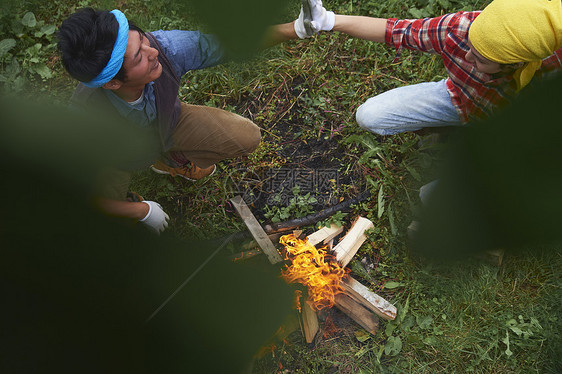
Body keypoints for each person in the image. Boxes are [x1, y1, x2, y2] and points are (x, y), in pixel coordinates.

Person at [57, 5, 315, 234]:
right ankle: (129, 202)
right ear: (113, 82)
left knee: (246, 137)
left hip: (168, 123)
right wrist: (142, 212)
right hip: (115, 157)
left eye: (143, 39)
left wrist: (296, 28)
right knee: (105, 218)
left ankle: (170, 161)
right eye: (139, 57)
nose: (152, 52)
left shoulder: (164, 48)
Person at [297, 0, 562, 135]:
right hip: (460, 101)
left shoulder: (552, 69)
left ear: (516, 63)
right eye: (470, 46)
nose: (468, 57)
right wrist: (329, 20)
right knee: (370, 115)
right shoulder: (459, 29)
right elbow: (396, 31)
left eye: (481, 59)